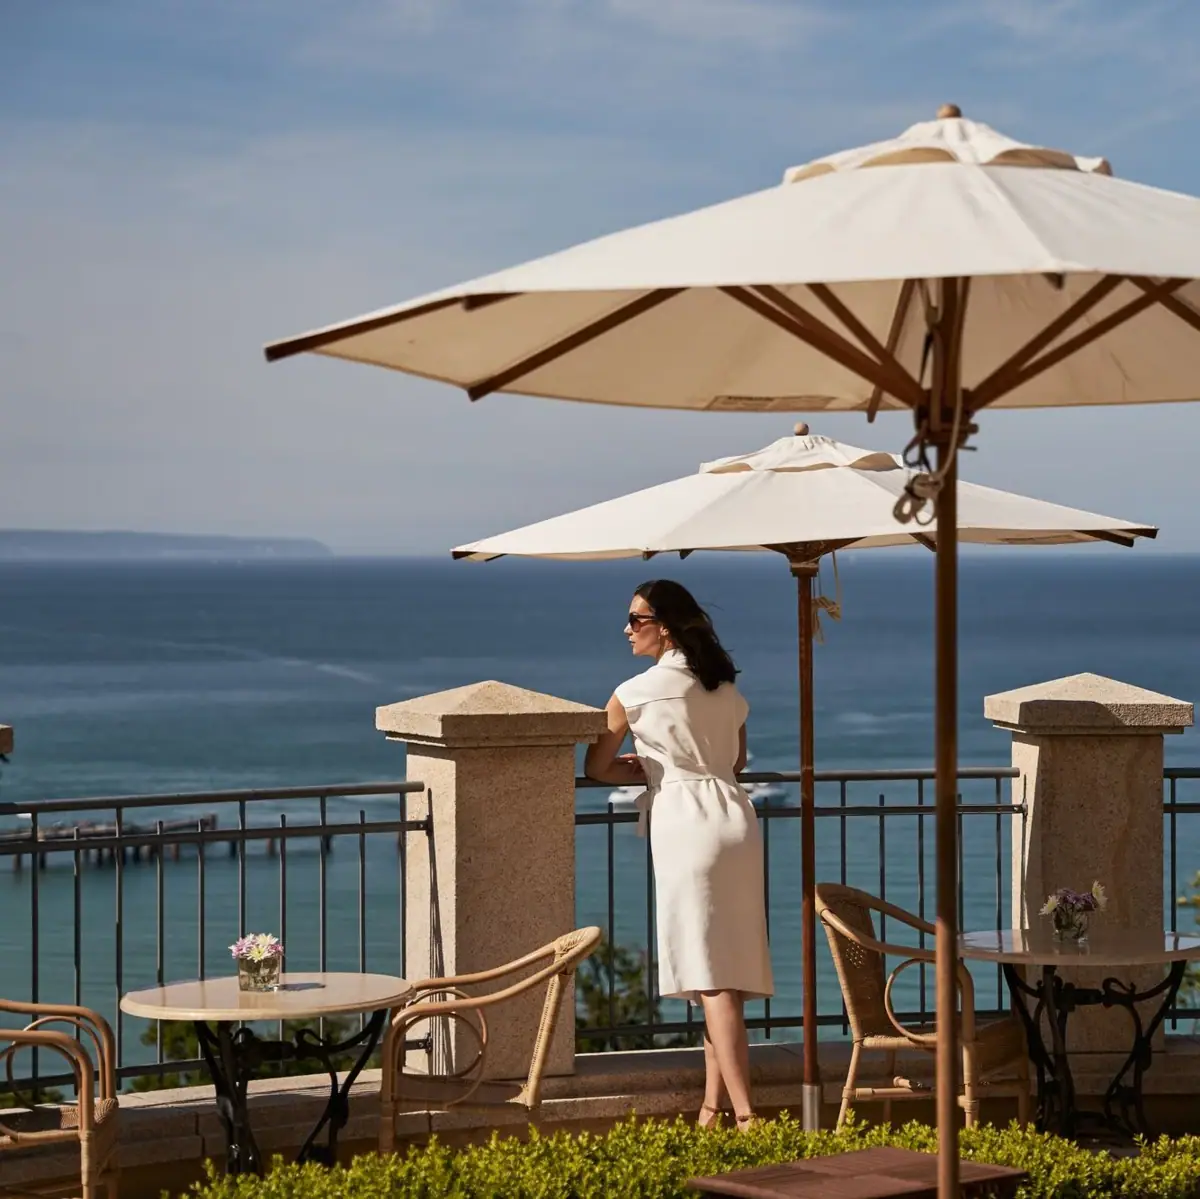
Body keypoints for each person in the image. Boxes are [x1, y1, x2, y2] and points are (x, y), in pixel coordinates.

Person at [584, 579, 773, 1130]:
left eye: (635, 619)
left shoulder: (632, 693)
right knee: (721, 970)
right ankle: (710, 1111)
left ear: (662, 626)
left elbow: (598, 768)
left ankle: (745, 1116)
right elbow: (736, 761)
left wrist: (648, 767)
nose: (626, 628)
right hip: (735, 816)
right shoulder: (724, 685)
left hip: (685, 822)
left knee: (710, 973)